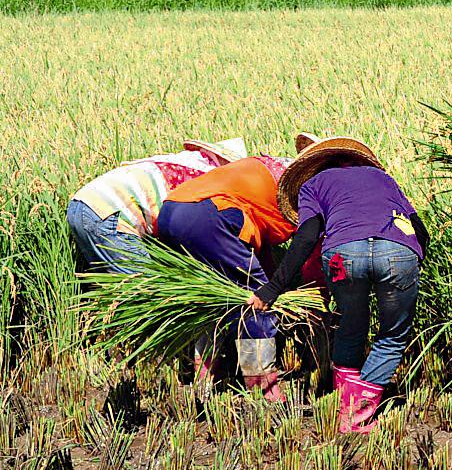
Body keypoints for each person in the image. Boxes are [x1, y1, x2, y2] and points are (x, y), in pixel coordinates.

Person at [249, 136, 428, 434]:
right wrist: (410, 263)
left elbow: (307, 237)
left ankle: (348, 411)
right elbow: (419, 230)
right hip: (398, 251)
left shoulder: (313, 185)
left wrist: (273, 289)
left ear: (314, 167)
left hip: (343, 255)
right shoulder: (383, 178)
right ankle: (359, 414)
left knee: (350, 327)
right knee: (392, 335)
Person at [157, 148, 298, 399]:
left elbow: (260, 247)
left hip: (170, 211)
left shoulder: (264, 169)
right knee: (255, 304)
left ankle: (203, 380)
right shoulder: (296, 188)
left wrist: (272, 280)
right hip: (209, 215)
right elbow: (303, 250)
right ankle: (263, 389)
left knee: (212, 300)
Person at [66, 138, 247, 273]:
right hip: (111, 215)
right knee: (143, 291)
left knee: (114, 288)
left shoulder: (181, 162)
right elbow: (191, 231)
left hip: (81, 204)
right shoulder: (204, 177)